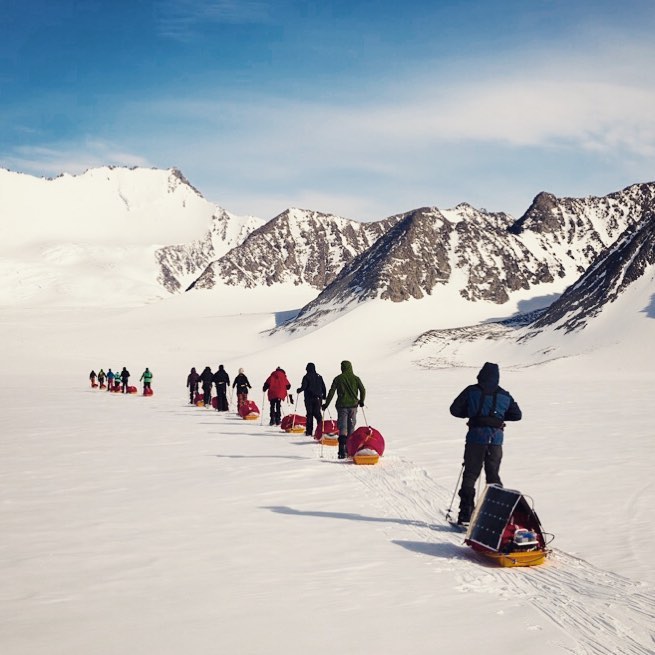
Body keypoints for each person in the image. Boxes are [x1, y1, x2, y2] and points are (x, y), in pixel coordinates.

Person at [449, 362, 522, 526]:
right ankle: (495, 516)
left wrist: (472, 413)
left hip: (475, 437)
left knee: (470, 474)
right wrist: (498, 418)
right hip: (496, 441)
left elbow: (454, 409)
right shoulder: (504, 394)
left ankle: (466, 514)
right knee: (493, 476)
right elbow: (517, 415)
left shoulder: (471, 390)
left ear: (480, 375)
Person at [322, 361, 366, 459]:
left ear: (342, 368)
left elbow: (332, 392)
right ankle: (349, 449)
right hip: (353, 406)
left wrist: (326, 404)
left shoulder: (338, 379)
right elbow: (363, 390)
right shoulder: (356, 378)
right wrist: (362, 401)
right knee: (351, 427)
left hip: (342, 406)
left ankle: (341, 451)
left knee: (343, 427)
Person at [297, 363, 326, 437]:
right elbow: (323, 387)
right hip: (318, 399)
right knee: (318, 414)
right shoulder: (319, 376)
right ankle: (321, 431)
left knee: (310, 414)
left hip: (309, 398)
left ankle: (309, 432)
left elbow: (304, 386)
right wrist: (324, 396)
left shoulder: (306, 377)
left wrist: (299, 390)